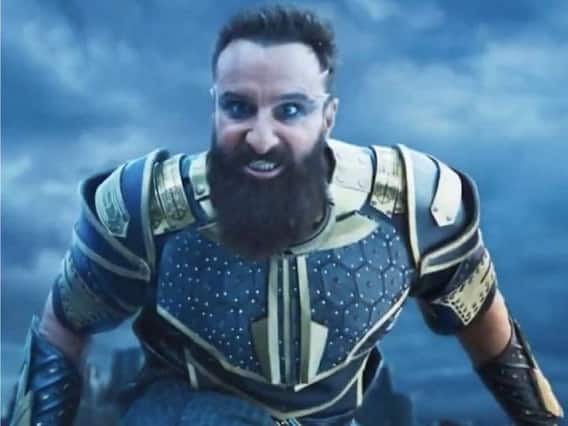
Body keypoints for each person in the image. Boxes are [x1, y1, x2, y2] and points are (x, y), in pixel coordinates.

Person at [9, 5, 564, 426]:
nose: (261, 136)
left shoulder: (414, 207)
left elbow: (488, 329)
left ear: (328, 117)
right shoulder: (149, 208)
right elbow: (64, 326)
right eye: (238, 107)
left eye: (290, 110)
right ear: (215, 108)